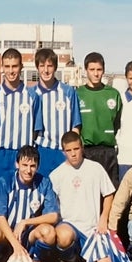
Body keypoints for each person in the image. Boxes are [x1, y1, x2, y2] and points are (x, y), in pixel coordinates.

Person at [50, 131, 122, 262]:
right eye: (69, 150)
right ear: (63, 152)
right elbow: (53, 205)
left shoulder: (95, 168)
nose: (73, 154)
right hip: (70, 226)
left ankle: (88, 259)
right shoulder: (56, 175)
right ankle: (69, 260)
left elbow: (108, 194)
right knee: (63, 235)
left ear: (82, 147)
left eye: (76, 149)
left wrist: (104, 218)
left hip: (93, 229)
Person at [0, 145, 58, 262]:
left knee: (49, 232)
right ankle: (0, 261)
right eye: (24, 165)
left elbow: (53, 216)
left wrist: (25, 222)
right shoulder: (5, 182)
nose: (28, 170)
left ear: (38, 167)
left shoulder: (44, 183)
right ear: (17, 164)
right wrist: (15, 244)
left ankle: (36, 260)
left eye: (32, 166)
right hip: (7, 232)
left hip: (28, 233)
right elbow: (0, 217)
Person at [0, 48, 42, 198]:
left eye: (15, 66)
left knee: (22, 196)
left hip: (21, 153)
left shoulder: (32, 96)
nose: (11, 71)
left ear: (21, 67)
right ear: (2, 68)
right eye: (7, 66)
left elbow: (36, 128)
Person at [33, 48, 82, 177]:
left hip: (63, 151)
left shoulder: (68, 92)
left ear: (55, 67)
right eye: (42, 66)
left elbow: (75, 125)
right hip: (43, 150)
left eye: (50, 66)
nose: (46, 70)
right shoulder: (31, 94)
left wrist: (71, 151)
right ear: (37, 68)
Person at [77, 52, 122, 187]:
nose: (96, 74)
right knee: (88, 191)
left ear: (103, 70)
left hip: (108, 151)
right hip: (87, 151)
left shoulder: (113, 94)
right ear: (86, 71)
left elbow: (117, 123)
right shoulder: (78, 94)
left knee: (110, 190)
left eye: (99, 69)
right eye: (92, 70)